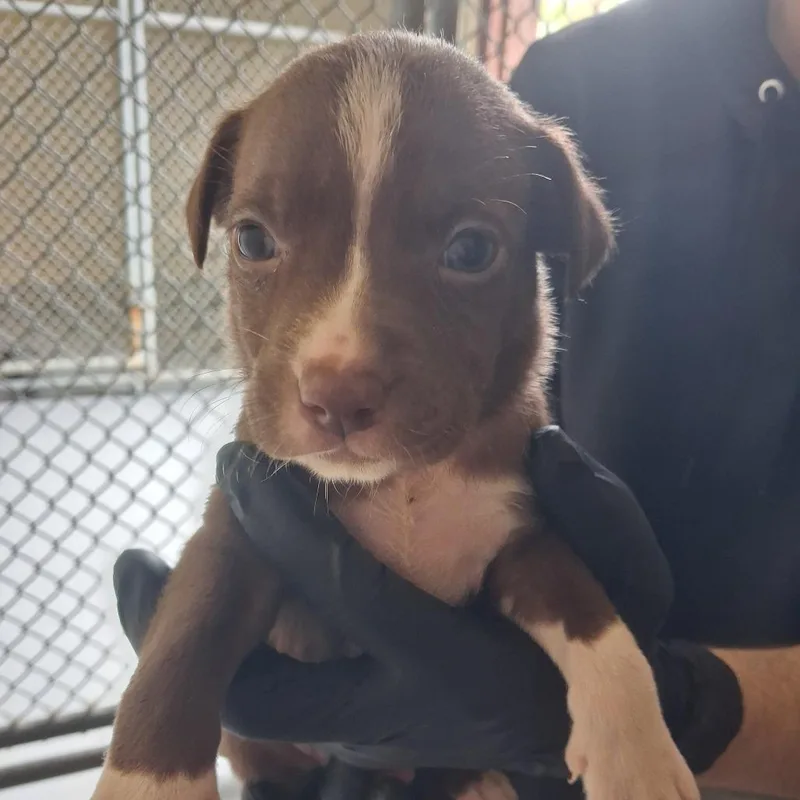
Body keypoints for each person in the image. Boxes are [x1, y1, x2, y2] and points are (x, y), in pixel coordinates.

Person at [113, 0, 800, 798]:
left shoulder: (505, 424)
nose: (340, 363)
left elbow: (523, 558)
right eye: (257, 241)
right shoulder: (583, 74)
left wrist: (677, 705)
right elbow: (235, 570)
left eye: (468, 250)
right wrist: (166, 739)